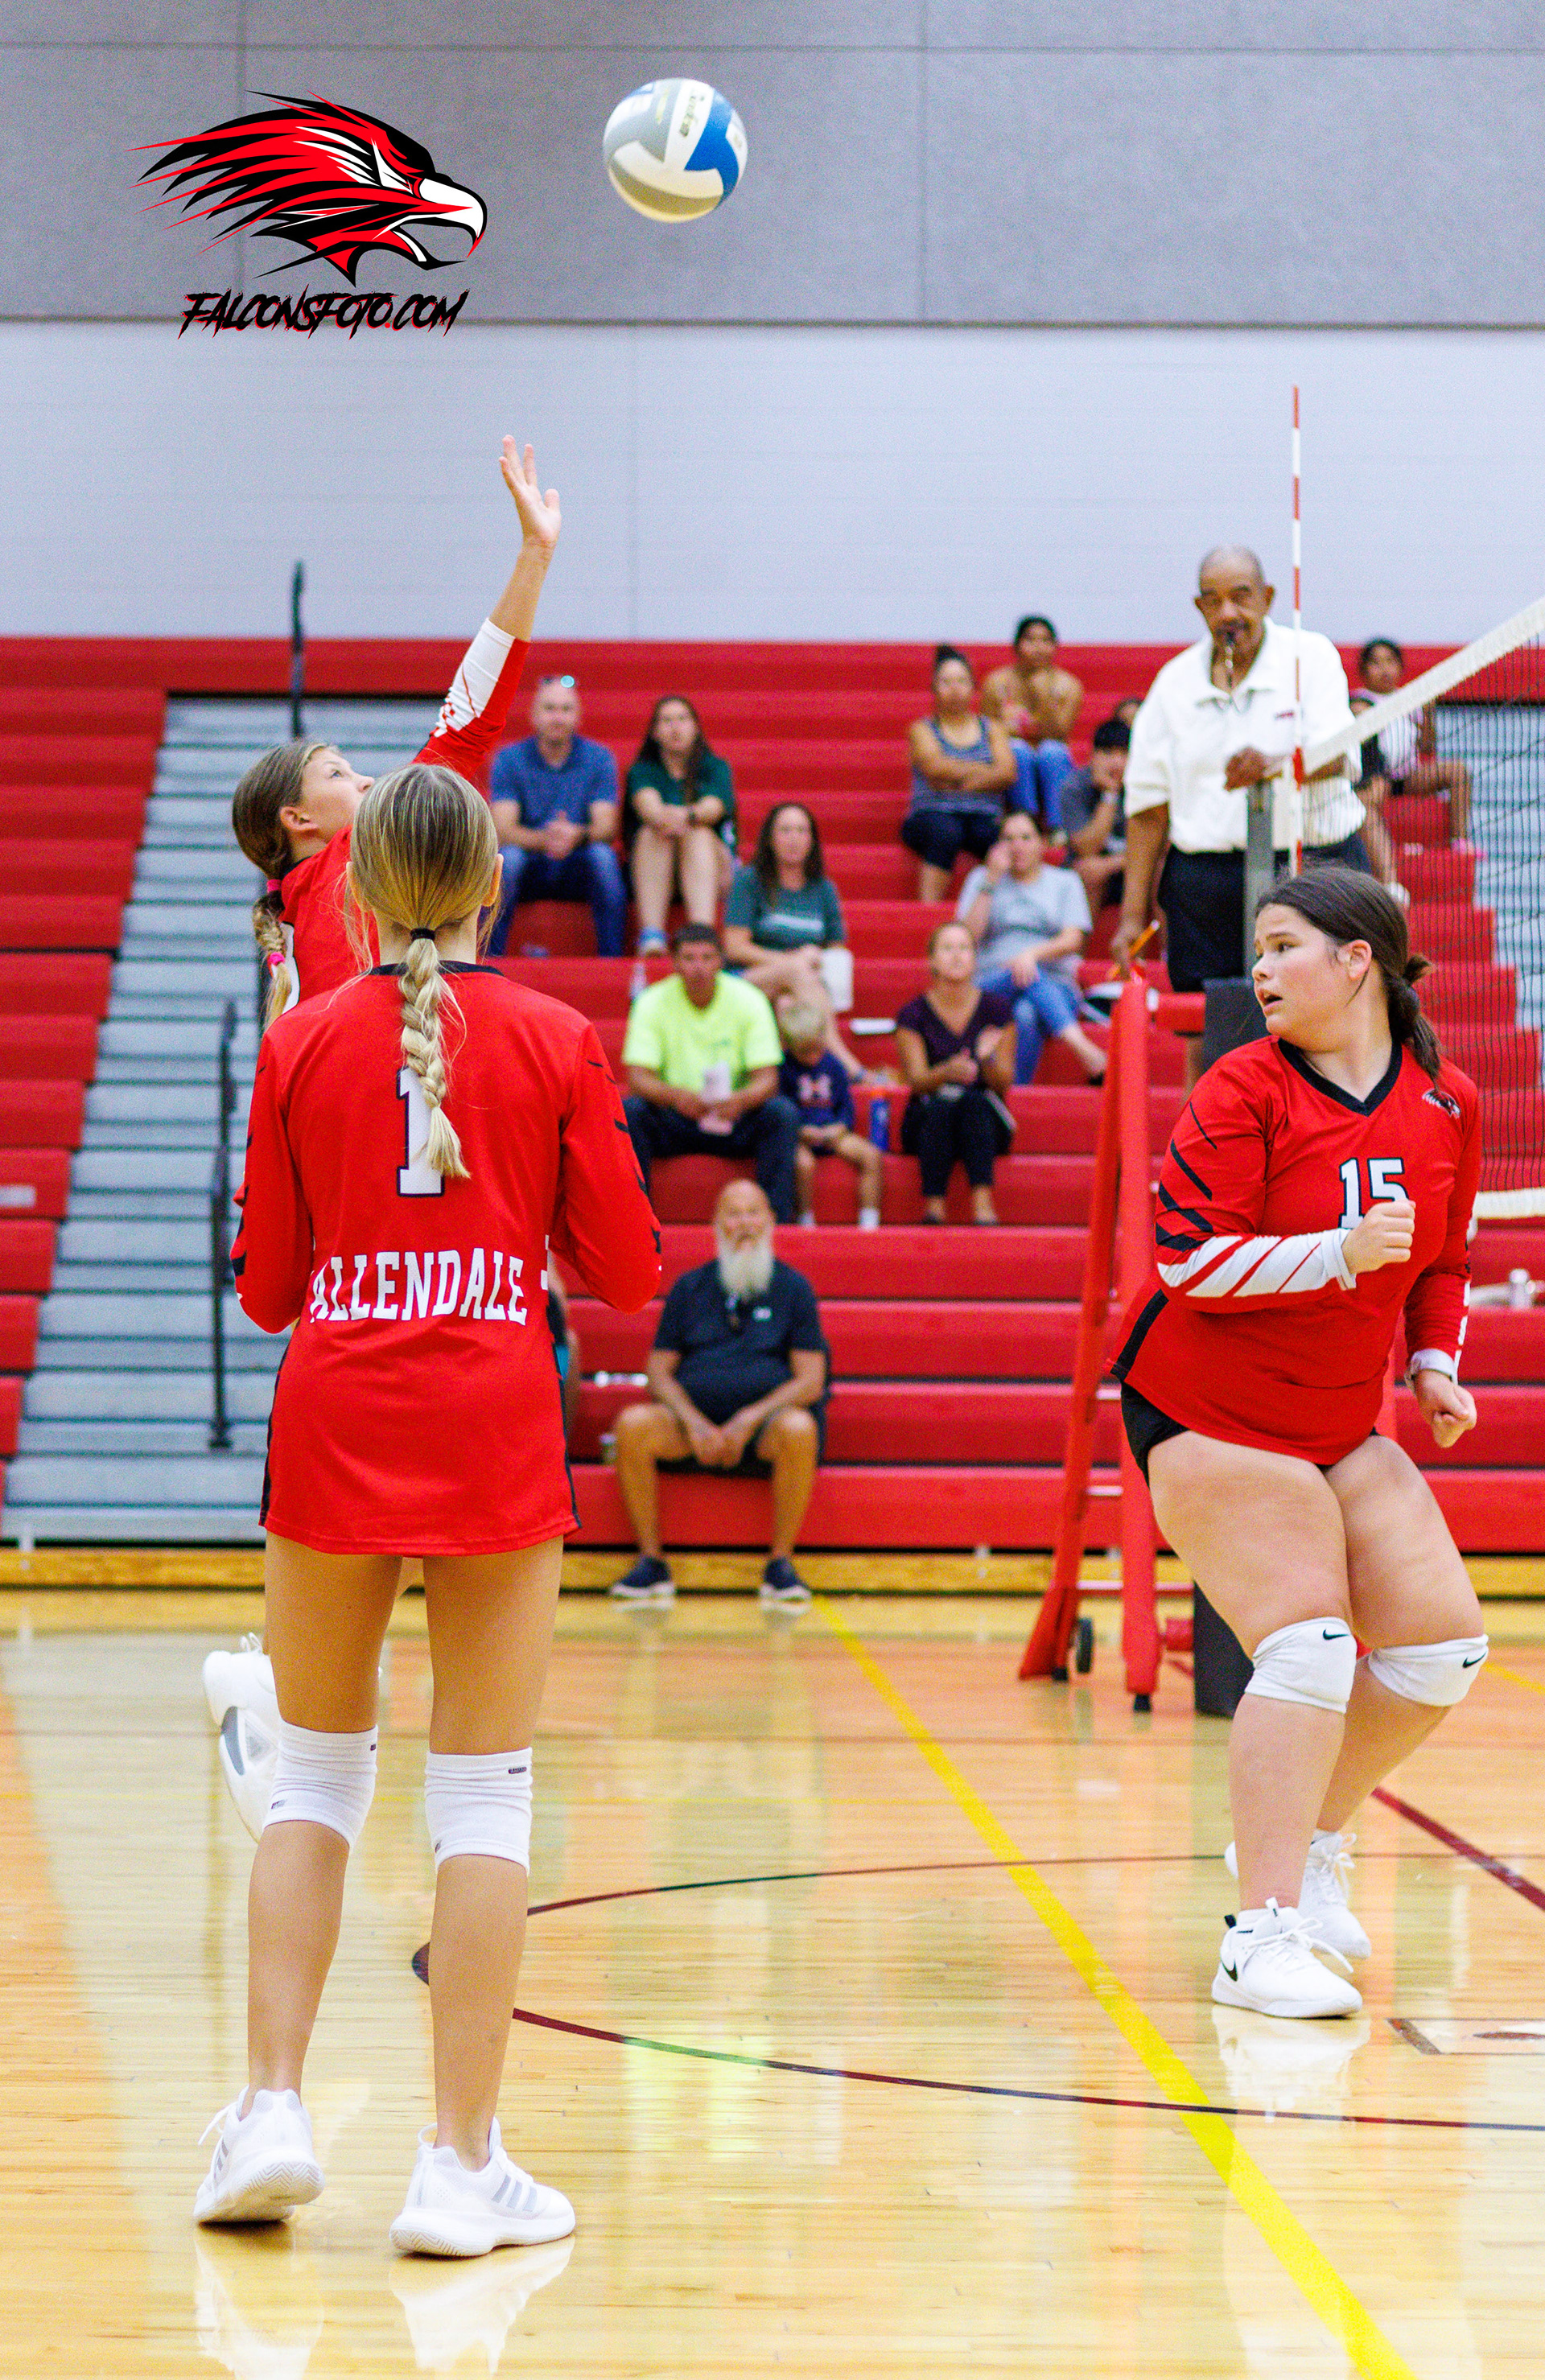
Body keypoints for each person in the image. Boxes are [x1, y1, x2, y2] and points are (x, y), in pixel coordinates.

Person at [197, 761, 660, 2249]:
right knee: (481, 1797)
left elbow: (269, 1288)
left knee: (312, 1780)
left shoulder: (299, 1039)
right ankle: (459, 2163)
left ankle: (272, 2109)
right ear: (488, 886)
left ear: (360, 885)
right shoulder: (556, 1034)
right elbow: (630, 1271)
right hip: (492, 1419)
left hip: (336, 1417)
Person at [207, 436, 561, 1841]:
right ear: (307, 819)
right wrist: (532, 559)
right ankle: (406, 1801)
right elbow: (471, 713)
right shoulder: (366, 874)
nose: (380, 774)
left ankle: (303, 1743)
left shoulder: (304, 937)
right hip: (440, 1278)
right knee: (456, 1674)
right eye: (349, 768)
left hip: (365, 1280)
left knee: (361, 1635)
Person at [1113, 866, 1486, 2020]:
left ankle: (1312, 1841)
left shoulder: (1448, 1100)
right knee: (1313, 1648)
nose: (1262, 970)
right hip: (1208, 1410)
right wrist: (1336, 1252)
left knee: (1440, 1649)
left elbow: (1444, 1260)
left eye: (1284, 947)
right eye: (1260, 951)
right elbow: (1185, 1261)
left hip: (1336, 1417)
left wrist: (1434, 1364)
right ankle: (1259, 1935)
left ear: (1356, 959)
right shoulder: (1242, 1085)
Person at [233, 437, 558, 1026]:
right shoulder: (338, 868)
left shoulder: (301, 918)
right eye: (337, 773)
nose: (367, 781)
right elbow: (466, 725)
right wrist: (535, 555)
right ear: (297, 818)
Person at [1114, 546, 1366, 1080]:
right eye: (1213, 600)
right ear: (1199, 607)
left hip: (1313, 867)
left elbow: (1343, 755)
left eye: (1241, 596)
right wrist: (1131, 917)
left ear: (1268, 598)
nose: (1228, 612)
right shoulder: (1173, 684)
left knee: (1328, 1026)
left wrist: (1279, 763)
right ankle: (1210, 1135)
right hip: (1207, 884)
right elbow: (1147, 810)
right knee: (1211, 1042)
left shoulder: (1310, 656)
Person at [609, 1180, 828, 1612]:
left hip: (763, 1432)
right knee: (632, 1425)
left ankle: (780, 1566)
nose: (744, 1223)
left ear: (770, 1221)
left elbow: (811, 1380)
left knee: (800, 1427)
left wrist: (749, 1418)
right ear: (716, 1224)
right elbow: (657, 1371)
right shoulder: (690, 1287)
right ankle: (652, 1564)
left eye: (753, 1212)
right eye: (733, 1213)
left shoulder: (794, 1288)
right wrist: (693, 1422)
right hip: (692, 1430)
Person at [621, 923, 800, 1222]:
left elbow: (768, 1079)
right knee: (631, 1111)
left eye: (707, 958)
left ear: (721, 961)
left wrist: (740, 1101)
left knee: (782, 1114)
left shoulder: (749, 999)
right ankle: (635, 1221)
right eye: (689, 958)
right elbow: (638, 1078)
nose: (699, 967)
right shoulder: (651, 1001)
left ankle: (775, 1222)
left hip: (734, 1114)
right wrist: (676, 1098)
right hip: (677, 1115)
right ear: (675, 963)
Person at [956, 814, 1105, 1086]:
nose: (1017, 846)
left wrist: (1030, 956)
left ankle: (1016, 1095)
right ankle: (1083, 1048)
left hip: (1055, 984)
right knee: (1019, 974)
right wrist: (991, 880)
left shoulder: (1065, 881)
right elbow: (966, 939)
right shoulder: (981, 878)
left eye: (1026, 838)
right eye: (1008, 839)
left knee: (1025, 1014)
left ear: (1042, 843)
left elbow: (1073, 939)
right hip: (992, 983)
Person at [486, 674, 627, 956]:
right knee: (507, 860)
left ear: (578, 716)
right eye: (550, 709)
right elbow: (502, 829)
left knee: (603, 857)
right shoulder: (509, 759)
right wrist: (546, 839)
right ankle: (489, 956)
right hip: (530, 863)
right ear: (534, 715)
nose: (558, 718)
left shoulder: (599, 758)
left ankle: (612, 959)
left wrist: (577, 836)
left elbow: (606, 827)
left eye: (566, 709)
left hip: (578, 860)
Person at [723, 801, 860, 1076]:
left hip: (804, 983)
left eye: (801, 830)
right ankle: (849, 1067)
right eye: (785, 830)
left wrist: (807, 966)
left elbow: (835, 950)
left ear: (812, 840)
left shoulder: (824, 888)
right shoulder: (750, 880)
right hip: (748, 978)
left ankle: (791, 1085)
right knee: (796, 972)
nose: (794, 838)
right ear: (770, 839)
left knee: (789, 1005)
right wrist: (791, 962)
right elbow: (734, 947)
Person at [894, 921, 1017, 1225]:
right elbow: (916, 1082)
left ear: (976, 958)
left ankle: (983, 1205)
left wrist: (986, 1061)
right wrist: (946, 1072)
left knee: (974, 1103)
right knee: (941, 1106)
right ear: (931, 960)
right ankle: (934, 1207)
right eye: (947, 948)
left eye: (964, 948)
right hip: (928, 1114)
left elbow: (1004, 1083)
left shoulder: (998, 1010)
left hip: (984, 1115)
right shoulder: (912, 1013)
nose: (957, 955)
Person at [902, 647, 1019, 901]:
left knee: (1002, 837)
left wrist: (955, 778)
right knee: (945, 831)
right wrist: (985, 772)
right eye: (946, 682)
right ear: (934, 688)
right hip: (931, 813)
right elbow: (934, 767)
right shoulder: (922, 729)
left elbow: (1007, 773)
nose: (955, 689)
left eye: (962, 681)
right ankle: (928, 910)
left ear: (973, 687)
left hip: (983, 815)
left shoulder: (992, 728)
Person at [624, 696, 738, 955]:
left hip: (713, 868)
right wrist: (666, 818)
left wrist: (686, 816)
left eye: (682, 719)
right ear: (654, 732)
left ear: (696, 727)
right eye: (667, 720)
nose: (675, 727)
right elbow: (647, 805)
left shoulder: (716, 767)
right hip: (655, 864)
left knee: (698, 834)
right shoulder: (642, 770)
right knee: (652, 833)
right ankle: (652, 935)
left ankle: (702, 935)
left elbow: (713, 807)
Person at [777, 1001, 882, 1228]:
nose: (813, 1057)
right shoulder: (783, 1068)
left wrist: (841, 1127)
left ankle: (869, 1222)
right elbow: (781, 1106)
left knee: (871, 1156)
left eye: (817, 1048)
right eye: (805, 1052)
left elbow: (845, 1105)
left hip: (832, 1130)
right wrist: (799, 1131)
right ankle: (805, 1221)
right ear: (788, 1046)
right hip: (800, 1135)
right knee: (803, 1164)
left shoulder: (834, 1065)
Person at [1358, 636, 1473, 842]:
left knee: (1458, 771)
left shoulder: (1411, 700)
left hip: (1409, 776)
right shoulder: (1359, 701)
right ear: (1364, 670)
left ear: (1400, 667)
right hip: (1377, 777)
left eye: (1390, 662)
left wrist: (1429, 713)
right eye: (1376, 663)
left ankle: (1460, 842)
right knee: (1369, 796)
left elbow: (1427, 747)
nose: (1384, 669)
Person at [980, 615, 1083, 830]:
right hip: (1011, 757)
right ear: (1016, 645)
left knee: (1052, 752)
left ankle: (1058, 827)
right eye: (1030, 640)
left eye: (1045, 641)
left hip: (1051, 756)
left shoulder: (1069, 685)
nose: (1038, 648)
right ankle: (1026, 822)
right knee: (1018, 750)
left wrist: (1044, 697)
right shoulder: (996, 682)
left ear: (1055, 646)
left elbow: (1060, 732)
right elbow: (987, 733)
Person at [1058, 716, 1129, 912]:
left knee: (1162, 871)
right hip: (1091, 867)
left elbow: (1157, 848)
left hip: (1132, 868)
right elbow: (1087, 849)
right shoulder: (1074, 787)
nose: (1117, 763)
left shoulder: (1144, 785)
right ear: (1093, 755)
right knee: (1089, 870)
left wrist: (1111, 864)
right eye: (1108, 753)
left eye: (1124, 753)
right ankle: (1078, 933)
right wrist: (1110, 794)